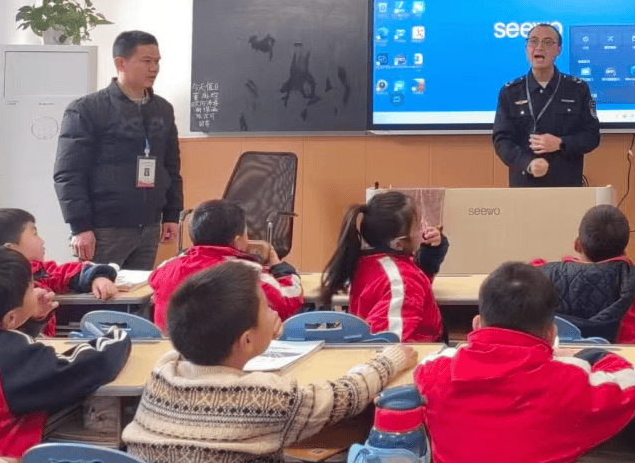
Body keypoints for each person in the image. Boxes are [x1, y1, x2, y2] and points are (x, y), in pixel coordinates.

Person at [123, 260, 417, 462]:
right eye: (266, 307)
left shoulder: (162, 372)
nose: (275, 313)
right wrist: (389, 360)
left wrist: (259, 341)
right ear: (246, 340)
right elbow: (345, 395)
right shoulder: (267, 396)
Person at [413, 261, 635, 463]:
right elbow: (634, 383)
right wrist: (596, 357)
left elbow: (430, 362)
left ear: (476, 324)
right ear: (551, 334)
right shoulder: (569, 384)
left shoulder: (435, 374)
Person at [0, 246, 131, 456]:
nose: (36, 289)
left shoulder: (1, 350)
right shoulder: (6, 356)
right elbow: (89, 365)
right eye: (31, 287)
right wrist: (118, 335)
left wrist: (30, 321)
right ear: (11, 318)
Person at [54, 30, 183, 269]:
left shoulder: (163, 109)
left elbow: (171, 167)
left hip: (149, 226)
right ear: (120, 63)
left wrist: (172, 215)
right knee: (100, 288)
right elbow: (69, 173)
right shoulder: (87, 109)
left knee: (138, 291)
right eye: (146, 61)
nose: (154, 68)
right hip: (104, 229)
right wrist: (80, 227)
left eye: (157, 61)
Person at [533, 204, 635, 342]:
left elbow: (526, 273)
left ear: (577, 244)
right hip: (624, 368)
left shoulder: (539, 281)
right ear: (625, 246)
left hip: (560, 367)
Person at [149, 199, 303, 332]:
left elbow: (154, 283)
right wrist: (278, 265)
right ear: (238, 241)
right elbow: (288, 300)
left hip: (171, 350)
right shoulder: (247, 272)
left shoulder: (166, 267)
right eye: (246, 234)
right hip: (224, 352)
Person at [320, 190, 448, 342]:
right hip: (415, 352)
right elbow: (385, 341)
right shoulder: (402, 280)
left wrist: (432, 248)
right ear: (398, 244)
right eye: (419, 226)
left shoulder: (371, 262)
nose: (424, 228)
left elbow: (420, 280)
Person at [492, 23, 601, 187]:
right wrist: (527, 163)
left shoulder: (578, 89)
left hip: (567, 185)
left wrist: (560, 143)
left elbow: (591, 136)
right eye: (533, 41)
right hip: (523, 185)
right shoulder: (510, 92)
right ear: (526, 48)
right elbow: (502, 141)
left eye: (548, 42)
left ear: (559, 50)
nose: (539, 47)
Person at [0, 207, 118, 337]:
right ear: (10, 249)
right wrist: (29, 314)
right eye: (35, 234)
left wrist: (97, 277)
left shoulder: (38, 270)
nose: (42, 241)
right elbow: (5, 339)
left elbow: (65, 273)